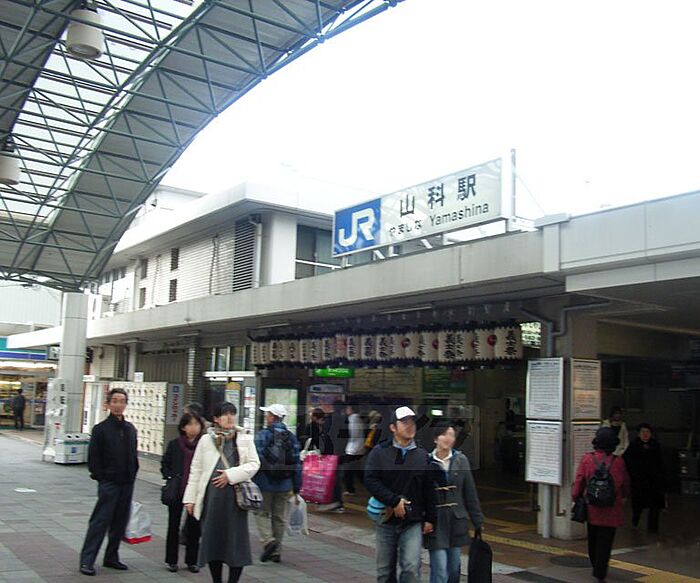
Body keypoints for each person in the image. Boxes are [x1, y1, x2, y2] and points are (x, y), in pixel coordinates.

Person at [183, 402, 260, 583]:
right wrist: (190, 499)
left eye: (232, 413)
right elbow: (196, 469)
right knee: (213, 542)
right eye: (225, 414)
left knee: (236, 543)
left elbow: (254, 464)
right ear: (216, 419)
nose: (230, 417)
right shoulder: (206, 440)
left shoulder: (244, 438)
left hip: (235, 499)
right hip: (212, 498)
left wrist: (230, 475)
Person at [365, 406, 436, 583]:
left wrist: (430, 518)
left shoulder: (422, 455)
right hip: (386, 520)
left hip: (413, 521)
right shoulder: (379, 452)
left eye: (412, 422)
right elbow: (371, 480)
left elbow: (429, 488)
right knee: (384, 571)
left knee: (411, 568)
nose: (409, 426)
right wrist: (394, 501)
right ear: (393, 427)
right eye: (404, 422)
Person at [80, 388, 139, 577]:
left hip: (127, 483)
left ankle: (111, 557)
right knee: (100, 521)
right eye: (115, 401)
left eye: (122, 401)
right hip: (109, 483)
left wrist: (132, 474)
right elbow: (94, 458)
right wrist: (101, 476)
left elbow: (133, 455)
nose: (118, 405)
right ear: (108, 404)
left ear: (126, 404)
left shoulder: (130, 429)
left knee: (120, 522)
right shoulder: (101, 429)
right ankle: (87, 560)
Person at [425, 423, 484, 583]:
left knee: (454, 567)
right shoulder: (426, 461)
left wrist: (478, 521)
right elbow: (420, 494)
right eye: (444, 434)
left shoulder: (461, 460)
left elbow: (470, 493)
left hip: (456, 520)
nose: (448, 438)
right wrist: (424, 518)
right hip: (435, 521)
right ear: (436, 439)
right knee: (440, 568)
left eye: (451, 435)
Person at [572, 427, 630, 583]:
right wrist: (624, 497)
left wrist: (576, 497)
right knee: (606, 541)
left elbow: (579, 481)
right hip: (612, 508)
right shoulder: (618, 462)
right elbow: (625, 484)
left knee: (593, 538)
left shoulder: (587, 459)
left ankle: (595, 564)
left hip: (592, 507)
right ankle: (600, 572)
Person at [253, 403, 302, 563]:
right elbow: (297, 463)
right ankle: (277, 551)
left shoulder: (262, 435)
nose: (266, 417)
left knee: (261, 513)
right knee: (279, 517)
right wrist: (297, 487)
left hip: (264, 483)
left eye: (268, 414)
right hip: (285, 484)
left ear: (272, 417)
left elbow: (255, 459)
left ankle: (269, 541)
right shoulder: (292, 438)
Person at [161, 411, 205, 573]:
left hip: (196, 491)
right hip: (177, 491)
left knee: (194, 527)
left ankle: (192, 561)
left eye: (197, 424)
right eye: (190, 424)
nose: (194, 427)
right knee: (173, 525)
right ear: (183, 427)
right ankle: (171, 560)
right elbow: (165, 463)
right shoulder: (175, 444)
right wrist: (171, 477)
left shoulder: (204, 445)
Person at [623, 423, 665, 533]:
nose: (645, 434)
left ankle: (653, 527)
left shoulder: (655, 445)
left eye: (647, 432)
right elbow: (626, 461)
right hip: (639, 481)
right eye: (643, 432)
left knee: (654, 505)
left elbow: (661, 463)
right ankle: (635, 519)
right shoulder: (633, 446)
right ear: (638, 433)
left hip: (654, 481)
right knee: (638, 504)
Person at [343, 402, 366, 495]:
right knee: (358, 471)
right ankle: (369, 486)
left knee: (348, 471)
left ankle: (350, 489)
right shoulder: (359, 418)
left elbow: (353, 434)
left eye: (348, 408)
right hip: (359, 448)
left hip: (352, 449)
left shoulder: (352, 418)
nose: (346, 410)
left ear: (352, 409)